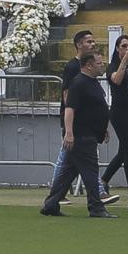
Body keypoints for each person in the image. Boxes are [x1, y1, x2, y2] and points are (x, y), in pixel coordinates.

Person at [40, 51, 114, 218]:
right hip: (82, 135)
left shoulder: (91, 82)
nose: (102, 65)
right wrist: (69, 133)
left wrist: (103, 128)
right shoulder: (79, 83)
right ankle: (96, 207)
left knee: (68, 173)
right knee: (90, 172)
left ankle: (51, 204)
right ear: (88, 65)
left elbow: (95, 109)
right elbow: (70, 109)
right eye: (99, 63)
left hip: (89, 134)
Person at [51, 29, 100, 202]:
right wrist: (70, 121)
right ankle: (97, 192)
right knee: (67, 157)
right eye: (89, 42)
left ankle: (56, 196)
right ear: (79, 45)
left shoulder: (88, 68)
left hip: (81, 122)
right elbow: (67, 94)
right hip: (75, 122)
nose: (92, 44)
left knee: (68, 161)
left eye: (93, 42)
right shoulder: (73, 66)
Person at [99, 35, 128, 191]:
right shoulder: (113, 66)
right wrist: (124, 61)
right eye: (124, 46)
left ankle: (104, 180)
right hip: (119, 112)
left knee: (124, 150)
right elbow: (116, 80)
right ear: (118, 48)